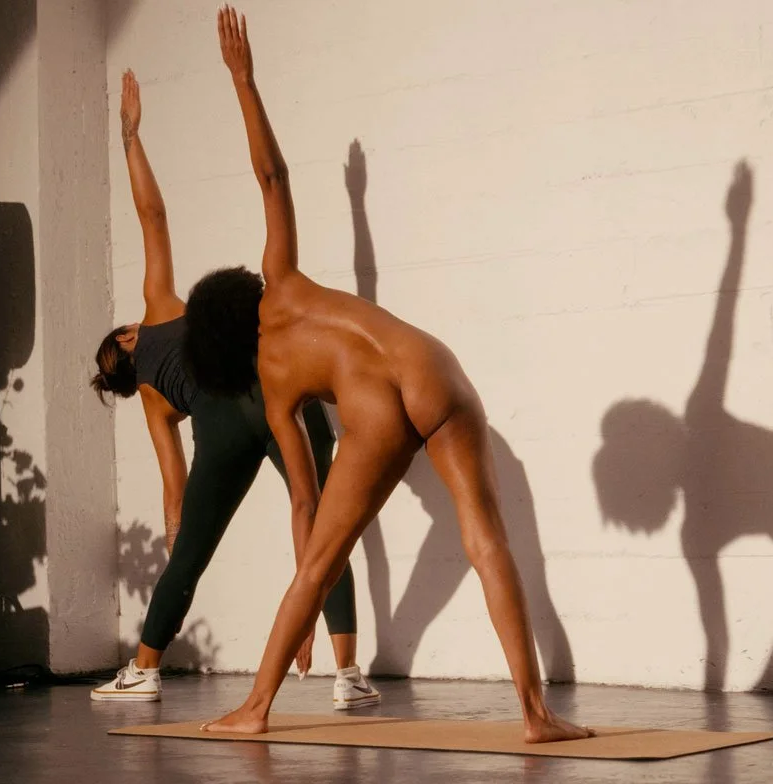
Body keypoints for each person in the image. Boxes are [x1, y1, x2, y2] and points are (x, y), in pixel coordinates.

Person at [188, 7, 589, 743]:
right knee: (487, 539)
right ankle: (535, 715)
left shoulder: (274, 387)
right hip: (434, 366)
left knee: (316, 563)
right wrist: (244, 81)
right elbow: (271, 176)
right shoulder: (281, 277)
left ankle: (254, 709)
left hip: (373, 412)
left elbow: (305, 511)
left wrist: (305, 603)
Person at [87, 68, 380, 711]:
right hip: (273, 384)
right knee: (325, 519)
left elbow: (174, 490)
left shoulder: (155, 404)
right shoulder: (160, 309)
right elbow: (153, 216)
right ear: (131, 340)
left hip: (220, 429)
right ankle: (348, 674)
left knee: (191, 556)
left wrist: (181, 544)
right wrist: (131, 139)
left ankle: (144, 671)